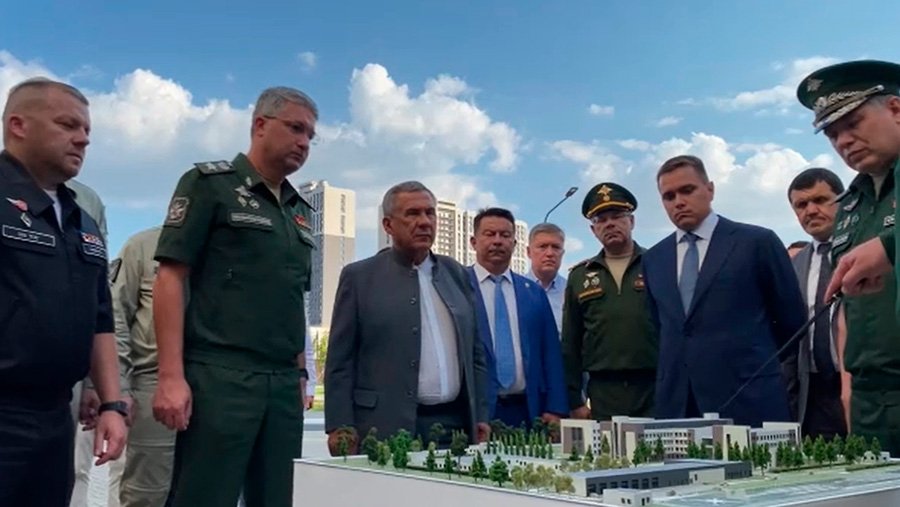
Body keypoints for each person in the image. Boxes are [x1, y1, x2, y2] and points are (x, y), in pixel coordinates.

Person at [152, 86, 318, 507]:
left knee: (278, 497)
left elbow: (293, 298)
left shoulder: (299, 211)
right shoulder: (210, 185)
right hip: (221, 376)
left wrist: (301, 374)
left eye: (310, 136)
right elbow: (170, 278)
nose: (304, 142)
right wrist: (170, 376)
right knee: (205, 496)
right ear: (260, 125)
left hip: (282, 384)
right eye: (295, 128)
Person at [0, 77, 126, 506]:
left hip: (56, 416)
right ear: (18, 125)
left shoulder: (80, 220)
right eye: (68, 125)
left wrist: (112, 404)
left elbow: (101, 318)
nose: (83, 139)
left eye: (87, 130)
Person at [325, 181, 490, 452]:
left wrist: (480, 414)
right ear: (388, 225)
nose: (424, 222)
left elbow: (476, 354)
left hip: (454, 427)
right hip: (383, 427)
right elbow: (340, 361)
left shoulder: (457, 274)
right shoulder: (359, 278)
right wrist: (340, 425)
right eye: (412, 214)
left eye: (430, 213)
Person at [642, 155, 806, 428]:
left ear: (710, 189)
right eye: (669, 196)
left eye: (687, 190)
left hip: (748, 397)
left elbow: (791, 321)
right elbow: (660, 327)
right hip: (679, 404)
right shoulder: (654, 259)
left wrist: (750, 362)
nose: (678, 202)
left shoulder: (756, 243)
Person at [798, 60, 900, 453]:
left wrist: (889, 247)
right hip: (870, 396)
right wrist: (847, 387)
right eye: (833, 134)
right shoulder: (851, 204)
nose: (844, 141)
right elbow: (846, 308)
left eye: (853, 123)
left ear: (895, 109)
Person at [562, 183, 658, 421]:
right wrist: (575, 399)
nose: (610, 224)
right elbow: (571, 342)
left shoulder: (657, 264)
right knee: (609, 446)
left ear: (631, 221)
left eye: (617, 216)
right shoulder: (580, 276)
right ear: (593, 230)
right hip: (604, 391)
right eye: (601, 220)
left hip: (654, 387)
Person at [466, 207, 567, 429]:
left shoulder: (533, 292)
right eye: (489, 234)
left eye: (505, 235)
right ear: (473, 242)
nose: (497, 241)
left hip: (528, 410)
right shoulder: (458, 285)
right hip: (477, 412)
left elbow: (550, 353)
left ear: (514, 243)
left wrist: (556, 408)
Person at [68, 180, 127, 507]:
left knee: (74, 469)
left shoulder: (86, 201)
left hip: (68, 379)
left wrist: (99, 389)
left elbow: (100, 304)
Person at [109, 226, 176, 507]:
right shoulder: (143, 246)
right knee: (145, 494)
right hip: (152, 384)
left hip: (214, 383)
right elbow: (115, 319)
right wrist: (120, 390)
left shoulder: (229, 246)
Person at [786, 168, 847, 441]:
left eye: (820, 200)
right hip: (814, 394)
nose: (810, 210)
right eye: (801, 205)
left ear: (843, 200)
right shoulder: (794, 265)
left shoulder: (866, 249)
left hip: (864, 385)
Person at [525, 223, 567, 333]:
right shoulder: (515, 290)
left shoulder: (571, 291)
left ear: (562, 253)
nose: (549, 253)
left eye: (556, 247)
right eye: (542, 247)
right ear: (528, 252)